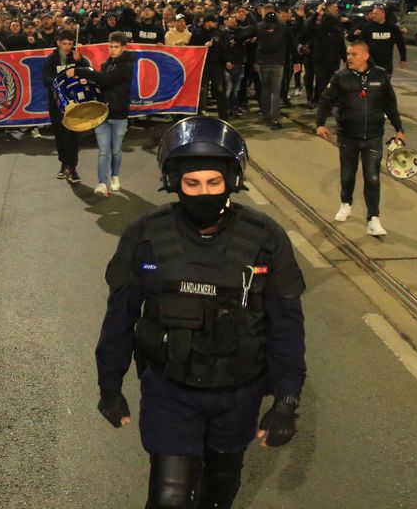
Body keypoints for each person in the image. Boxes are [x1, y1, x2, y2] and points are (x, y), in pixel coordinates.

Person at [94, 116, 306, 509]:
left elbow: (286, 327)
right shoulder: (145, 235)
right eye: (192, 183)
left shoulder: (265, 239)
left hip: (238, 393)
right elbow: (120, 316)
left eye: (213, 182)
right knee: (169, 497)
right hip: (170, 390)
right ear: (174, 182)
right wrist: (109, 385)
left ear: (232, 180)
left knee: (220, 489)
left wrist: (287, 402)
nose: (203, 192)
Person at [315, 40, 405, 236]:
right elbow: (325, 100)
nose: (349, 57)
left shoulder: (380, 75)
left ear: (365, 55)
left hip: (373, 135)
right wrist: (320, 123)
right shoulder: (340, 77)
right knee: (348, 174)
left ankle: (373, 218)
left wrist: (399, 128)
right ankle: (346, 203)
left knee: (372, 177)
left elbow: (390, 103)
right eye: (348, 54)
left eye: (353, 54)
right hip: (348, 135)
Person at [69, 32, 135, 197]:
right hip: (102, 114)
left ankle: (115, 177)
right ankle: (102, 183)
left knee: (116, 151)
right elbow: (99, 79)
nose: (113, 50)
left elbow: (105, 79)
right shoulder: (106, 64)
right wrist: (80, 61)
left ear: (124, 47)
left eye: (116, 47)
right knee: (104, 151)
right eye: (110, 46)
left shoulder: (126, 66)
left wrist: (78, 70)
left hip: (119, 115)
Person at [43, 31, 92, 183]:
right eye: (64, 43)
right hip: (57, 103)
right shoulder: (51, 59)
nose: (67, 47)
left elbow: (89, 72)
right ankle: (64, 164)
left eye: (70, 44)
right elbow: (46, 79)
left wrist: (81, 60)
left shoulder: (76, 57)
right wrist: (60, 82)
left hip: (75, 103)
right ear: (58, 43)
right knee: (60, 135)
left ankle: (72, 167)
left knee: (73, 135)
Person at [238, 4, 293, 130]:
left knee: (265, 89)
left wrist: (235, 39)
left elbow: (243, 35)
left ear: (264, 13)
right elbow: (292, 44)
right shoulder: (283, 26)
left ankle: (266, 116)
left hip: (263, 62)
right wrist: (295, 60)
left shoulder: (260, 26)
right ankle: (275, 119)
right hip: (278, 63)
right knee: (275, 91)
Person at [189, 15, 228, 120]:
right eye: (213, 22)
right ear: (207, 22)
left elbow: (222, 48)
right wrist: (203, 46)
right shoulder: (197, 33)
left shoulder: (218, 33)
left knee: (220, 89)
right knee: (202, 90)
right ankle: (199, 114)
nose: (216, 24)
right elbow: (191, 48)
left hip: (216, 66)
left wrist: (226, 61)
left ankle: (223, 115)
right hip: (203, 66)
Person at [350, 4, 407, 75]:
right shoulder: (368, 27)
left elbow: (401, 44)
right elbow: (361, 44)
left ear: (383, 14)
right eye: (373, 14)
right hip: (370, 62)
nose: (373, 16)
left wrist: (403, 59)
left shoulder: (393, 28)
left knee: (384, 80)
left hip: (386, 63)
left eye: (376, 14)